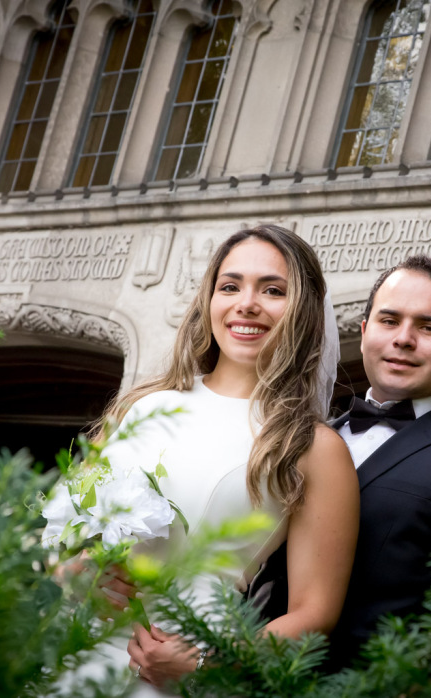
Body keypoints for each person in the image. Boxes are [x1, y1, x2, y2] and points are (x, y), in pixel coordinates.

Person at [74, 225, 359, 695]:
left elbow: (314, 613)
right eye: (230, 286)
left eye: (273, 290)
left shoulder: (311, 445)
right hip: (78, 643)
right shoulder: (142, 405)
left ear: (303, 310)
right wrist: (76, 573)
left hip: (181, 662)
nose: (247, 303)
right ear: (209, 300)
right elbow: (66, 538)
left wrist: (210, 660)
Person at [248, 255, 431, 669]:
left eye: (429, 327)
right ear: (365, 331)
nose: (403, 339)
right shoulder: (298, 441)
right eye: (389, 320)